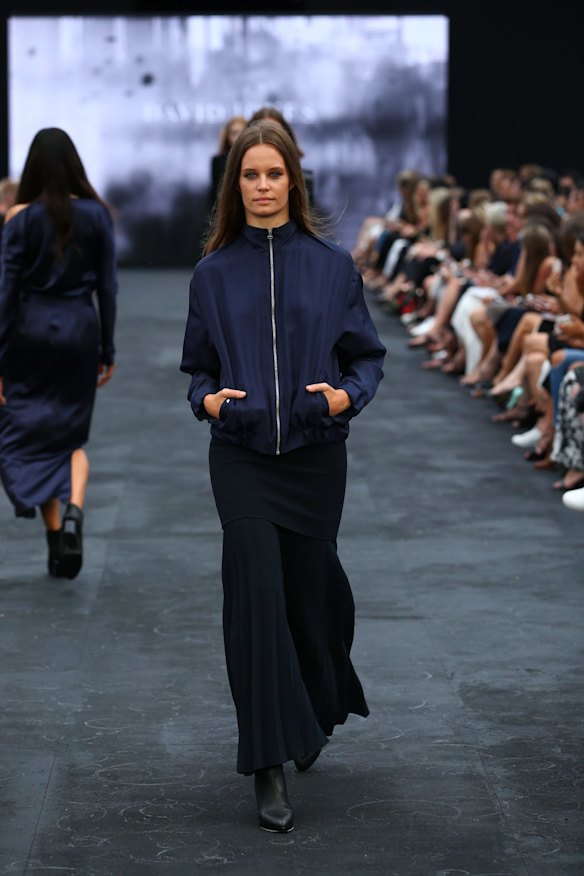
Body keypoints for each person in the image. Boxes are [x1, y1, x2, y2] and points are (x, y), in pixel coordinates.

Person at [180, 120, 385, 833]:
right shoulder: (212, 274)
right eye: (249, 175)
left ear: (293, 179)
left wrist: (345, 396)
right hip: (239, 456)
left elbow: (366, 357)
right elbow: (199, 368)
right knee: (255, 598)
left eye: (274, 174)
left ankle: (321, 698)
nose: (263, 186)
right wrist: (205, 400)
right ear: (233, 185)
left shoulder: (333, 267)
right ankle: (266, 760)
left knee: (309, 594)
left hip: (314, 456)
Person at [0, 128, 117, 579]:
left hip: (29, 332)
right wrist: (107, 347)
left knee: (28, 434)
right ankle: (71, 518)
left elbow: (6, 293)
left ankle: (55, 537)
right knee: (70, 438)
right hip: (79, 331)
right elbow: (107, 288)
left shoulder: (19, 218)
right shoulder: (97, 216)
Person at [209, 115, 246, 211]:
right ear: (228, 136)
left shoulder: (256, 158)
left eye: (241, 132)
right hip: (226, 210)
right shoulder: (218, 161)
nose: (238, 137)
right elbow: (215, 193)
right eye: (234, 133)